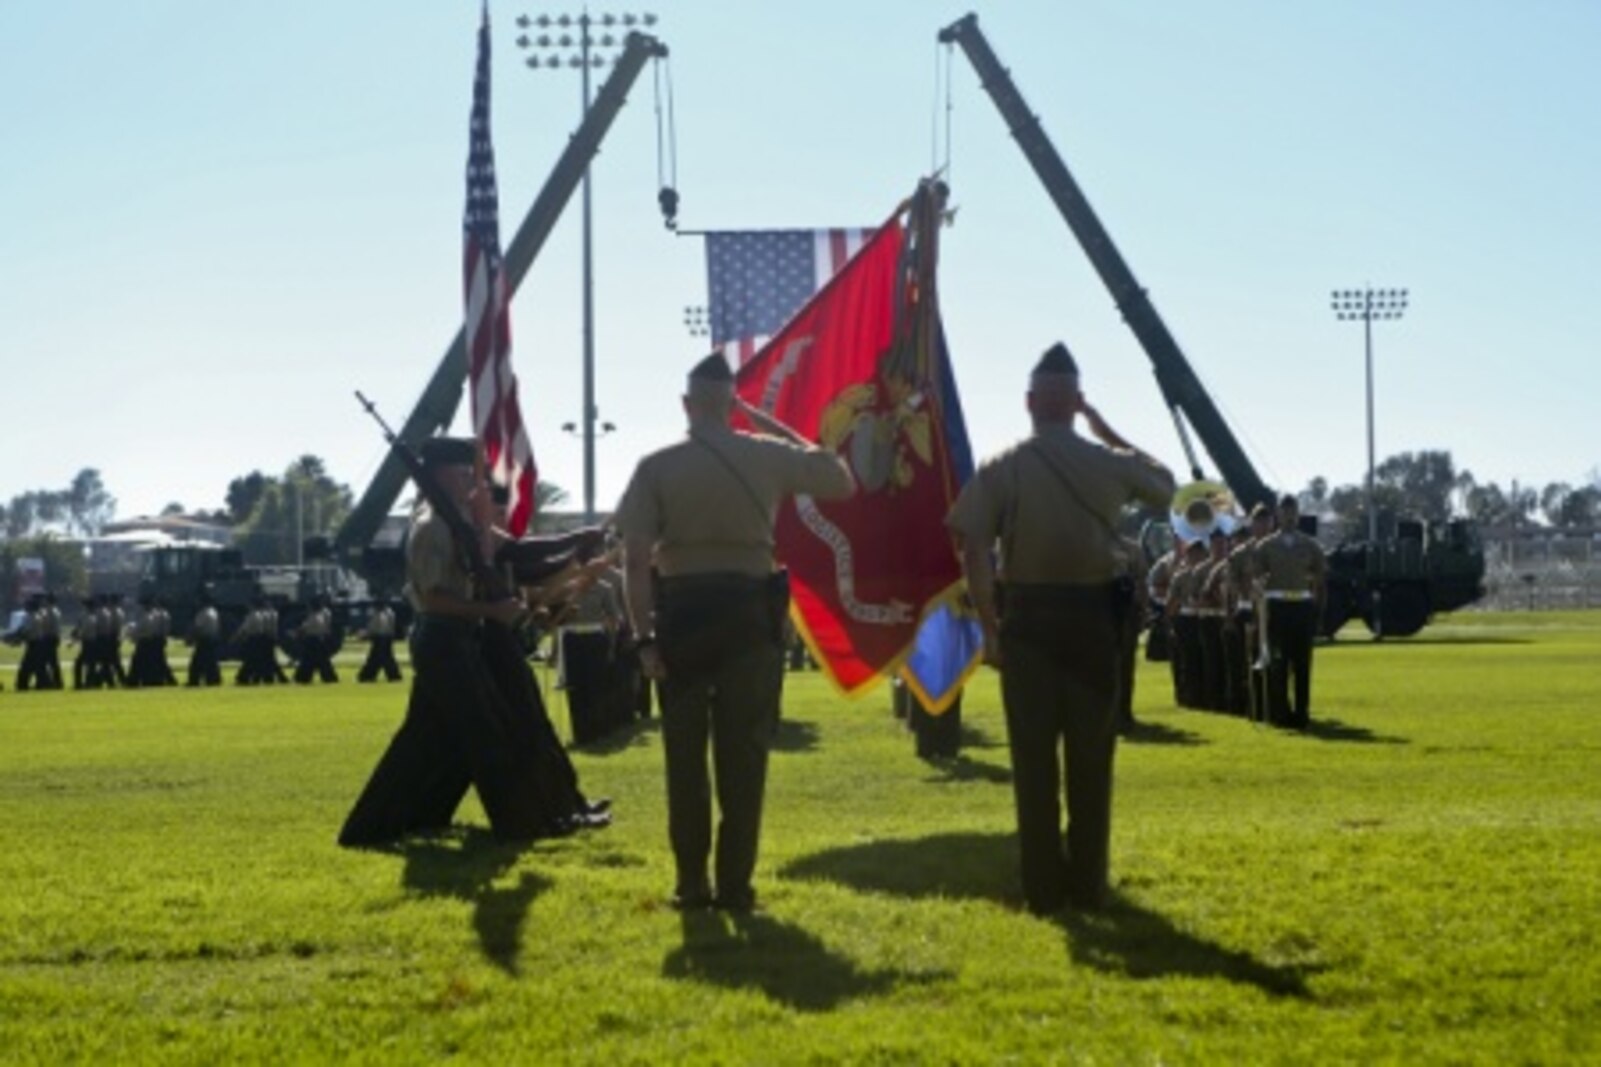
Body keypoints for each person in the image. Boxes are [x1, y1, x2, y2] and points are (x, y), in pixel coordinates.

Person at [615, 352, 854, 912]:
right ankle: (735, 886)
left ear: (685, 405)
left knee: (685, 759)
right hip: (749, 616)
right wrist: (764, 423)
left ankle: (691, 884)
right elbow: (837, 477)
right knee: (745, 757)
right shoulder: (764, 455)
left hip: (683, 615)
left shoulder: (657, 466)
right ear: (731, 404)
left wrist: (644, 638)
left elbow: (632, 560)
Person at [947, 342, 1173, 914]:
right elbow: (1167, 484)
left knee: (1033, 762)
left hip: (1027, 622)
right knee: (1092, 760)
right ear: (1075, 403)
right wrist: (1108, 430)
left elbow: (973, 547)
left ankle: (1043, 889)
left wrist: (990, 629)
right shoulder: (1106, 462)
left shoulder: (1003, 466)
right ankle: (1089, 887)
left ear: (1028, 403)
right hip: (1093, 622)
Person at [339, 436, 573, 847]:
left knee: (431, 737)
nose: (470, 477)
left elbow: (499, 554)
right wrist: (491, 612)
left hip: (458, 639)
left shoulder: (460, 521)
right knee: (484, 731)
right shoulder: (432, 525)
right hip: (441, 639)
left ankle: (398, 821)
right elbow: (433, 599)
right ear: (436, 474)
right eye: (461, 470)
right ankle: (520, 823)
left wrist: (488, 522)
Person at [1255, 495, 1327, 729]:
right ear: (1278, 515)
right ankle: (1280, 713)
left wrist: (1317, 607)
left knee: (1302, 664)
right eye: (1284, 512)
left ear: (1297, 514)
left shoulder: (1310, 545)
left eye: (1292, 512)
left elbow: (1321, 575)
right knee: (1279, 663)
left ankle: (1302, 712)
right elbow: (1256, 576)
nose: (1288, 517)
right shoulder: (1266, 546)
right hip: (1277, 607)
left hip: (1301, 606)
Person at [292, 595, 340, 684]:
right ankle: (329, 678)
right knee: (323, 662)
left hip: (312, 640)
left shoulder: (315, 616)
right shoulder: (324, 614)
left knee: (308, 661)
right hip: (321, 640)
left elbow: (307, 627)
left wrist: (297, 632)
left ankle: (302, 678)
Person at [356, 599, 403, 683]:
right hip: (387, 637)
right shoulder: (390, 612)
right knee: (384, 658)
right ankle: (393, 676)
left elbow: (375, 626)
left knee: (378, 658)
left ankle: (367, 676)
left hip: (379, 637)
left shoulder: (378, 613)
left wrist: (366, 634)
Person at [188, 592, 223, 687]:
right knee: (211, 662)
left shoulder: (202, 613)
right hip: (213, 639)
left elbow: (197, 628)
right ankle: (214, 679)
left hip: (204, 640)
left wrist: (191, 638)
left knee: (197, 663)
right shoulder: (214, 612)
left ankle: (194, 680)